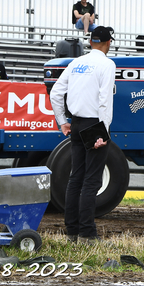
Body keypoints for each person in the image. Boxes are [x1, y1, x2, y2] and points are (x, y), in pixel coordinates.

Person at [50, 26, 116, 245]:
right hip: (95, 124)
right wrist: (103, 132)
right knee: (91, 181)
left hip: (76, 123)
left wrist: (63, 122)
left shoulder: (76, 62)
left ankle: (73, 233)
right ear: (108, 43)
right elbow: (105, 100)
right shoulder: (107, 64)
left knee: (75, 178)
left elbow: (56, 93)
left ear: (91, 42)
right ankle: (87, 234)